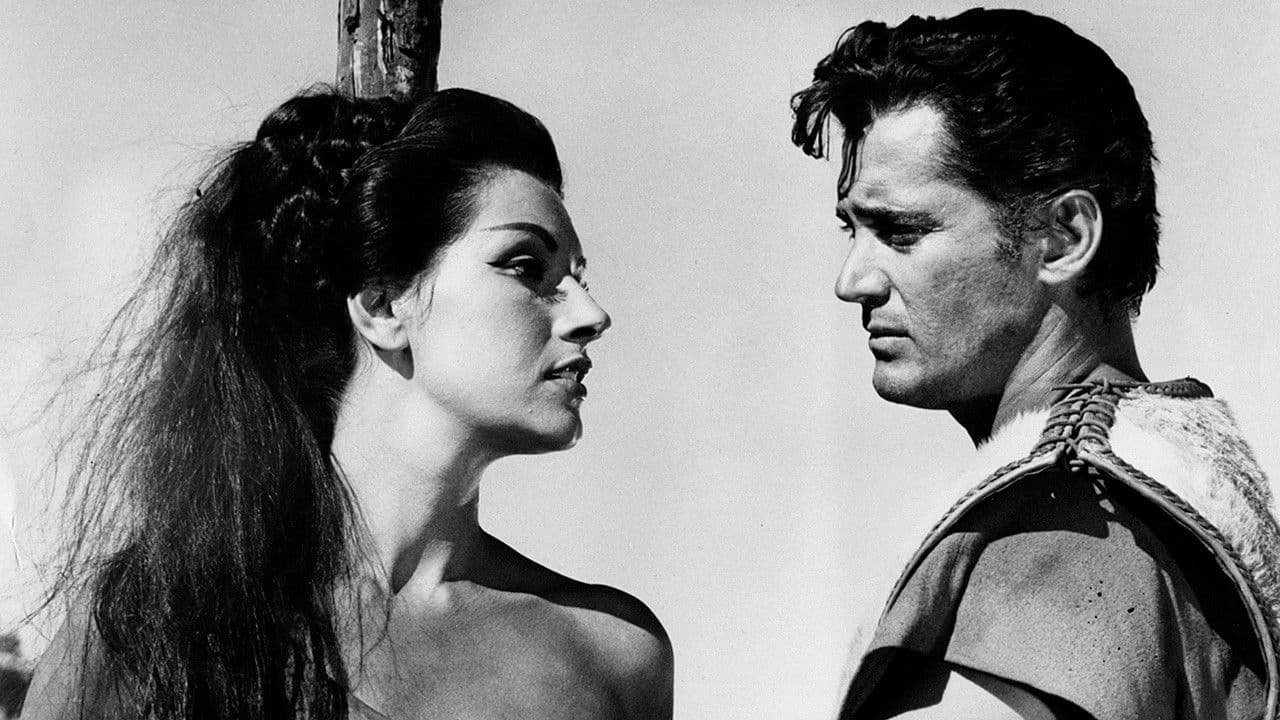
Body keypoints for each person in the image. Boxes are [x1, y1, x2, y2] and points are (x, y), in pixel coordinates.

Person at [22, 87, 673, 720]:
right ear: (383, 307)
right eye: (527, 266)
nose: (592, 315)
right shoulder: (153, 618)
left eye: (579, 279)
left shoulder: (611, 652)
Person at [791, 9, 1279, 720]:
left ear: (1065, 238)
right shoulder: (1170, 476)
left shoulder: (1066, 521)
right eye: (853, 230)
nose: (853, 280)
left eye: (901, 230)